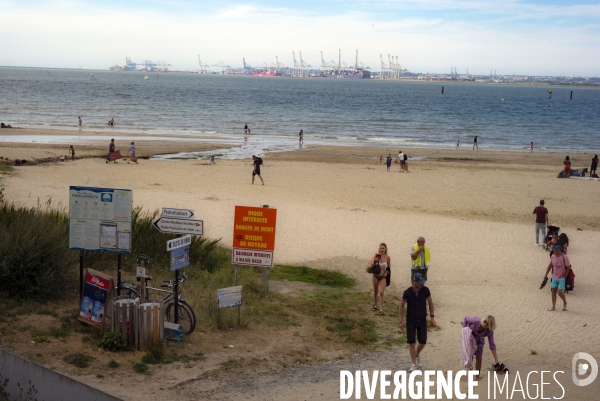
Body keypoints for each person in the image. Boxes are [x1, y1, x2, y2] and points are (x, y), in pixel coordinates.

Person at [398, 272, 435, 372]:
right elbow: (401, 305)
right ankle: (413, 364)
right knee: (412, 342)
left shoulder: (425, 290)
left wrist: (432, 317)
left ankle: (416, 354)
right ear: (413, 281)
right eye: (419, 282)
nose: (422, 284)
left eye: (422, 282)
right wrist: (401, 321)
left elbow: (430, 302)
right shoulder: (407, 292)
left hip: (422, 319)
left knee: (423, 341)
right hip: (411, 320)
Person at [461, 316, 500, 380]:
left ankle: (477, 377)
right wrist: (464, 329)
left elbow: (492, 345)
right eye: (485, 322)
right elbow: (466, 318)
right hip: (470, 338)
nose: (485, 324)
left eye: (487, 324)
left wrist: (496, 359)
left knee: (479, 358)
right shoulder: (476, 321)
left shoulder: (489, 331)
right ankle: (470, 376)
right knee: (470, 357)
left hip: (479, 341)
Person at [543, 244, 571, 311]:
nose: (554, 251)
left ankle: (564, 301)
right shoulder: (553, 256)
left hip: (561, 277)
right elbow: (550, 265)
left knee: (559, 292)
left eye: (555, 250)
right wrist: (546, 274)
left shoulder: (564, 257)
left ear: (559, 251)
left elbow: (568, 267)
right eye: (554, 249)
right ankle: (553, 307)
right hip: (554, 277)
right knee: (553, 291)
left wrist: (564, 276)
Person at [367, 243, 391, 315]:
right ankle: (375, 305)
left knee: (381, 292)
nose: (382, 250)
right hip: (375, 275)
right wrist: (375, 261)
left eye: (383, 248)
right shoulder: (376, 256)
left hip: (383, 276)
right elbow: (370, 265)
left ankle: (381, 309)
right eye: (381, 248)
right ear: (379, 249)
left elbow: (389, 267)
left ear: (385, 249)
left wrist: (386, 272)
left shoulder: (388, 257)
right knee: (375, 291)